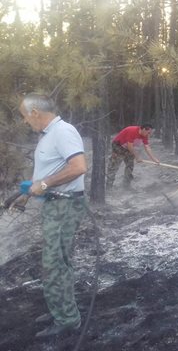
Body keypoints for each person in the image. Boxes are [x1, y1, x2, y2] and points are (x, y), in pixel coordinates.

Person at [17, 93, 87, 338]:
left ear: (35, 113)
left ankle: (67, 320)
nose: (26, 122)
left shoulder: (63, 132)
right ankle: (58, 309)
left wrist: (44, 184)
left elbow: (78, 168)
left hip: (64, 207)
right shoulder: (48, 135)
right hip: (54, 205)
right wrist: (32, 189)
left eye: (26, 117)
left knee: (56, 263)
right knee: (52, 261)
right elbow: (51, 170)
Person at [106, 124, 160, 190]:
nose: (149, 134)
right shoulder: (132, 131)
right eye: (148, 132)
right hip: (118, 145)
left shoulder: (145, 134)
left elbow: (147, 147)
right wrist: (137, 157)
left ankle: (126, 186)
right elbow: (130, 146)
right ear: (143, 129)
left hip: (129, 148)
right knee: (114, 166)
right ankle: (108, 187)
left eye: (150, 133)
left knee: (130, 166)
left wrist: (154, 159)